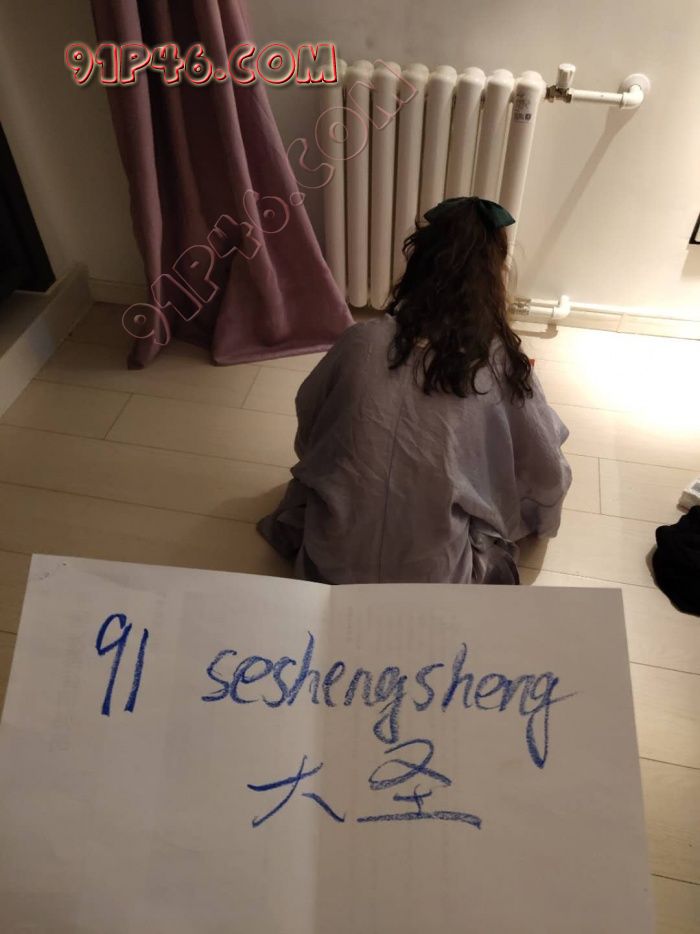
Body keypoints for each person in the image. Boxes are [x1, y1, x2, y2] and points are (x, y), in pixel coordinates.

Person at [257, 196, 572, 584]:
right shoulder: (499, 363)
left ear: (418, 263)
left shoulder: (359, 341)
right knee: (534, 432)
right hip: (435, 580)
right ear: (495, 276)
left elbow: (310, 427)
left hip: (329, 562)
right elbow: (546, 474)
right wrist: (542, 520)